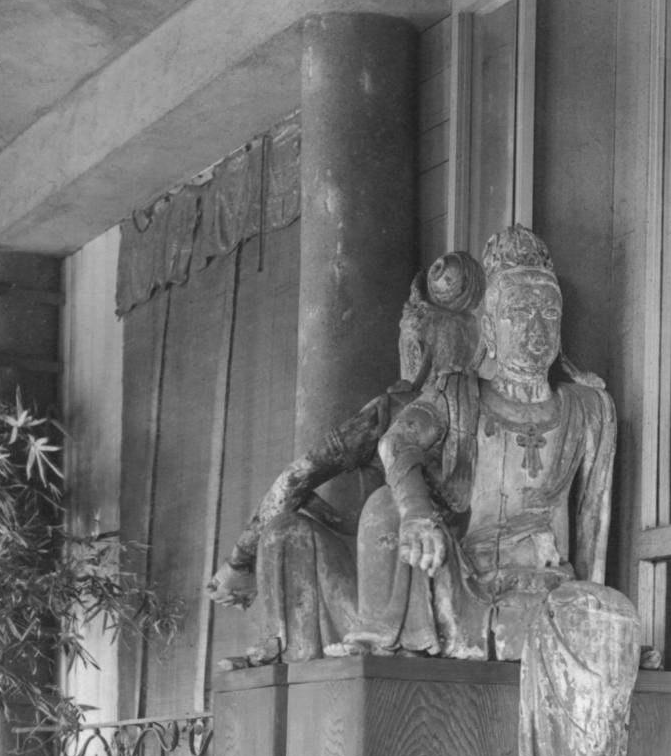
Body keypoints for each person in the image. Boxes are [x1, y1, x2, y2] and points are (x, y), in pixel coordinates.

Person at [340, 224, 643, 756]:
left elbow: (593, 522)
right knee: (382, 512)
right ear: (488, 329)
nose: (534, 332)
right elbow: (396, 443)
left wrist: (583, 590)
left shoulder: (585, 409)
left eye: (547, 317)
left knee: (611, 614)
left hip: (540, 587)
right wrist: (420, 513)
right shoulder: (458, 395)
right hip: (460, 580)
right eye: (518, 315)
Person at [206, 252, 485, 667]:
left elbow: (298, 476)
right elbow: (301, 477)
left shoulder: (409, 409)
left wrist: (238, 561)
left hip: (433, 578)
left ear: (419, 347)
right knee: (286, 529)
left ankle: (341, 656)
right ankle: (291, 655)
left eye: (410, 340)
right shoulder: (452, 405)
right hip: (399, 573)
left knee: (364, 511)